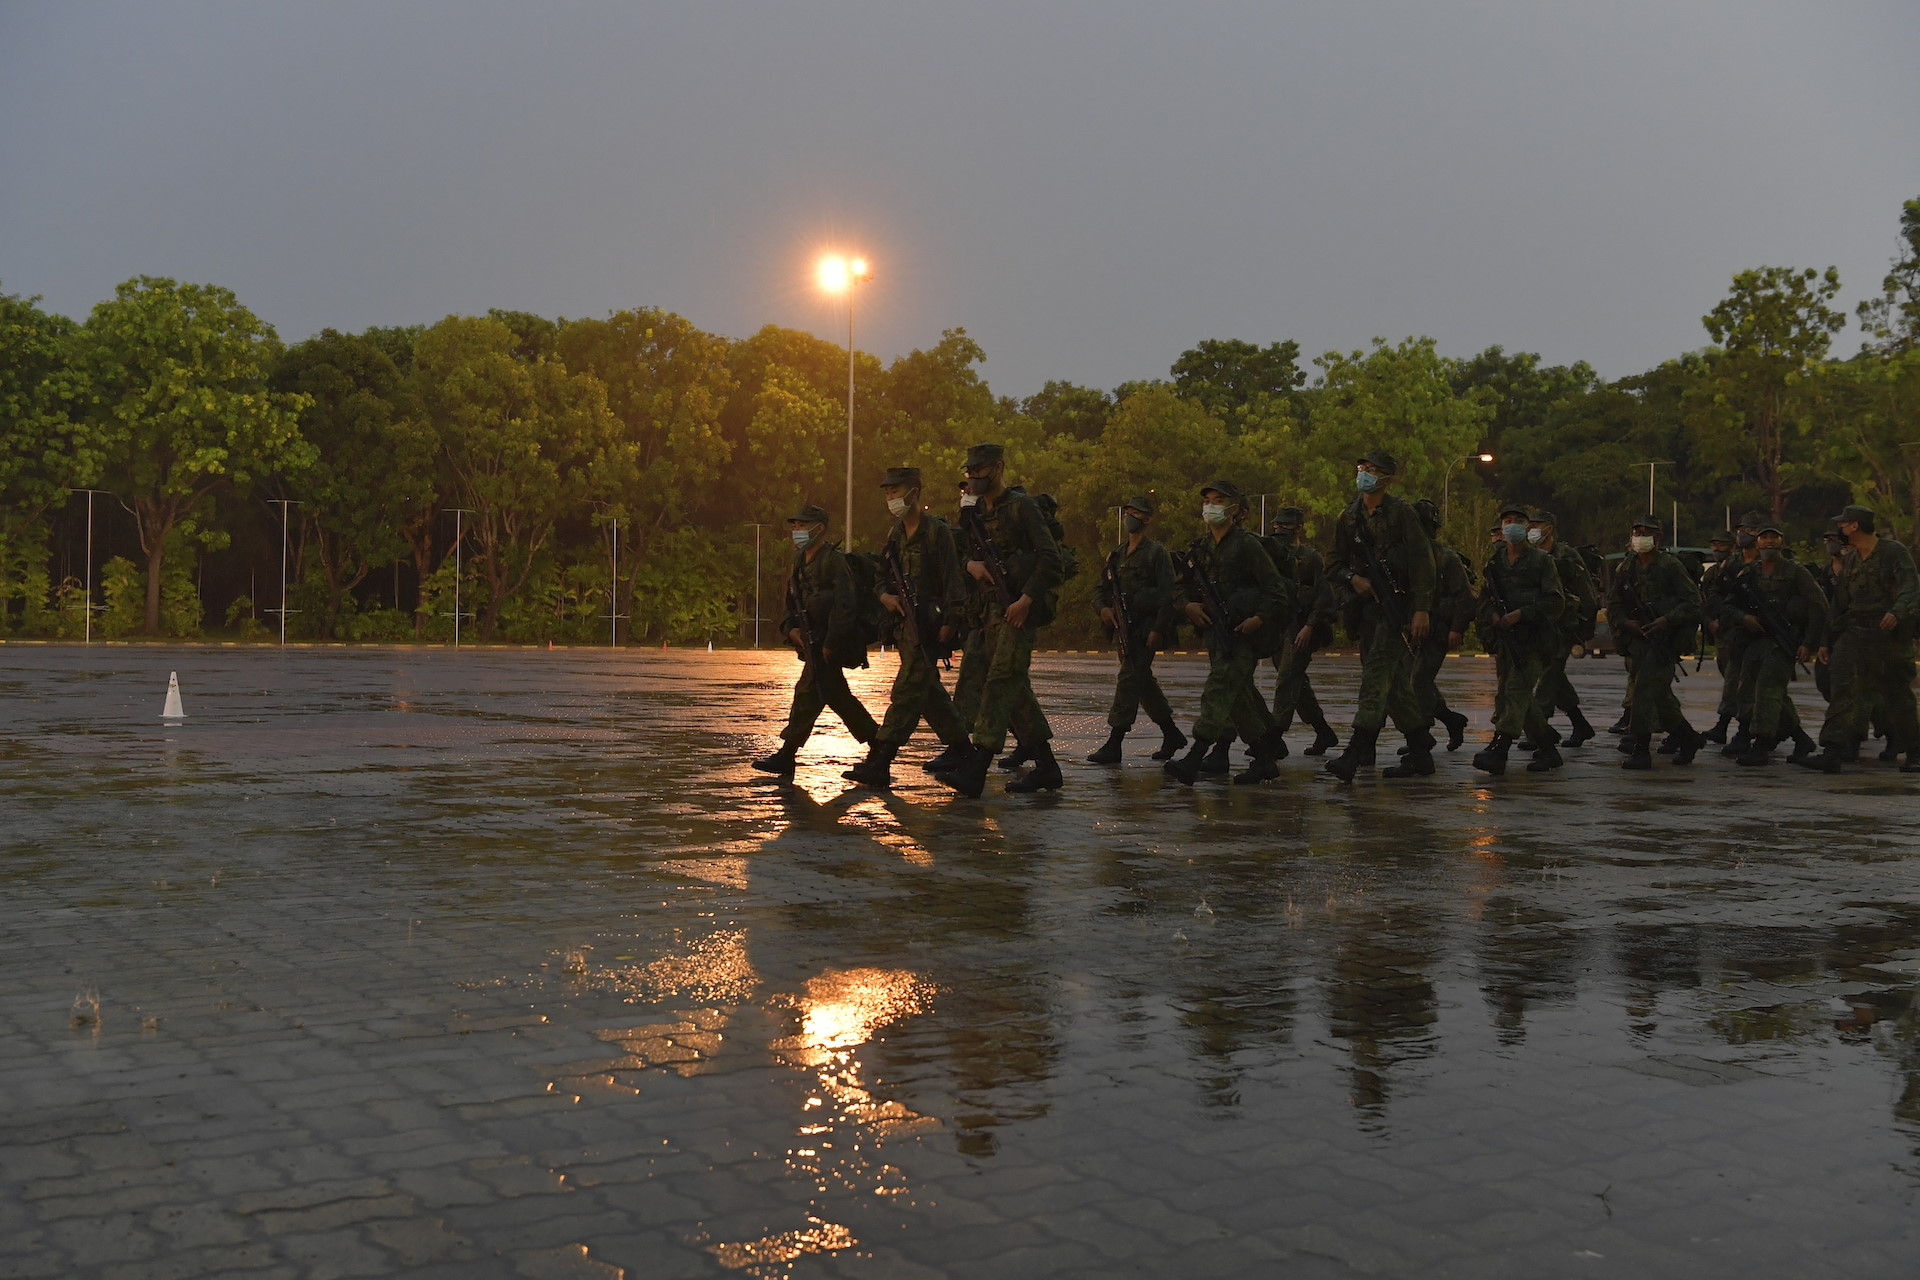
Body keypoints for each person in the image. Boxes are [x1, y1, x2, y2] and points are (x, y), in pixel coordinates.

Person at [936, 443, 1067, 797]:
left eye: (979, 470)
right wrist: (971, 566)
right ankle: (1047, 767)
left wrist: (1026, 600)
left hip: (1017, 609)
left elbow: (1051, 560)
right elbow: (962, 552)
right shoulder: (976, 513)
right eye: (969, 472)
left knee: (1000, 682)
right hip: (988, 612)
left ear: (998, 468)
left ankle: (977, 770)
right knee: (1014, 690)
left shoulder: (1022, 507)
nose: (973, 477)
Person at [844, 468, 968, 788]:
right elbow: (881, 575)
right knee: (928, 693)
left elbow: (953, 581)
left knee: (907, 691)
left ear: (914, 492)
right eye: (887, 492)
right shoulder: (896, 534)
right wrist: (884, 596)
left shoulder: (937, 532)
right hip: (905, 627)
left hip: (930, 626)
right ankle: (963, 750)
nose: (890, 497)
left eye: (895, 491)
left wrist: (951, 622)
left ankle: (881, 760)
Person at [1163, 481, 1291, 785]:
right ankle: (1265, 759)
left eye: (1219, 500)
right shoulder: (1200, 548)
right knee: (1238, 699)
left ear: (1234, 508)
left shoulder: (1248, 545)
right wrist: (1188, 606)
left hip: (1243, 635)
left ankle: (1195, 757)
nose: (1211, 506)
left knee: (1218, 689)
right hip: (1215, 634)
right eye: (1207, 500)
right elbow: (1179, 587)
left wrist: (1259, 618)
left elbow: (1276, 590)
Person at [1324, 451, 1438, 782]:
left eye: (1373, 470)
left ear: (1387, 478)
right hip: (1367, 610)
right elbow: (1333, 562)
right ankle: (1420, 750)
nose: (1365, 473)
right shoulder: (1349, 517)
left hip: (1398, 608)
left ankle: (1354, 752)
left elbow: (1423, 562)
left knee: (1375, 676)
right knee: (1395, 685)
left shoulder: (1402, 513)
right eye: (1363, 467)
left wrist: (1421, 609)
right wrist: (1352, 579)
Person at [752, 504, 879, 774]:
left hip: (828, 644)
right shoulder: (800, 561)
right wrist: (791, 630)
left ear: (819, 528)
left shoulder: (833, 561)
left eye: (802, 525)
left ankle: (877, 747)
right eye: (795, 526)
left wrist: (832, 643)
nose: (796, 531)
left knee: (817, 694)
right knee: (827, 695)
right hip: (811, 643)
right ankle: (877, 746)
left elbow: (846, 604)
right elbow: (792, 602)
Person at [1795, 505, 1920, 773]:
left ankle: (1914, 751)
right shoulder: (1851, 559)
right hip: (1854, 633)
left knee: (1897, 695)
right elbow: (1839, 604)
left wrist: (1897, 612)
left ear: (1855, 526)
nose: (1839, 529)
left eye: (1843, 524)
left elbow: (1911, 587)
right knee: (1842, 689)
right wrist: (1827, 640)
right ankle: (1832, 751)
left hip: (1888, 637)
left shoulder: (1893, 552)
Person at [1089, 495, 1185, 764]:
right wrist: (1103, 609)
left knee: (1129, 680)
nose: (1130, 516)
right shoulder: (1116, 554)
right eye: (1128, 511)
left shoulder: (1157, 553)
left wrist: (1158, 629)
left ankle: (1115, 742)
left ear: (1148, 518)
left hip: (1145, 629)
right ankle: (1172, 734)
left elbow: (1169, 594)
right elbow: (1099, 589)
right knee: (1142, 684)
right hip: (1123, 628)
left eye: (1136, 512)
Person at [1472, 503, 1567, 774]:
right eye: (1507, 521)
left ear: (1526, 526)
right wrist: (1492, 615)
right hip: (1506, 640)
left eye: (1517, 520)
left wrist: (1522, 614)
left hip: (1534, 641)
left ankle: (1499, 749)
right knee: (1515, 696)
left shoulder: (1541, 561)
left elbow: (1555, 602)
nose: (1511, 525)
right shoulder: (1495, 563)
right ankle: (1548, 748)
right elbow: (1484, 600)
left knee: (1515, 691)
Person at [1608, 516, 1705, 770]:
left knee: (1643, 692)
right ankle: (1688, 738)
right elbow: (1614, 604)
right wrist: (1626, 623)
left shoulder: (1669, 565)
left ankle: (1641, 749)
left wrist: (1665, 620)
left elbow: (1693, 602)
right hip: (1638, 641)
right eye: (1637, 531)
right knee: (1660, 698)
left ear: (1659, 537)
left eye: (1647, 532)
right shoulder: (1626, 568)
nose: (1641, 536)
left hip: (1664, 641)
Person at [1726, 519, 1825, 765]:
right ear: (1757, 542)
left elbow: (1818, 606)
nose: (1769, 542)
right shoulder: (1749, 573)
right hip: (1756, 641)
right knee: (1749, 691)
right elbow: (1728, 604)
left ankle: (1761, 744)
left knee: (1768, 691)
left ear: (1782, 542)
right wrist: (1744, 618)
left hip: (1782, 643)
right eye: (1764, 537)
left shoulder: (1796, 572)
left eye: (1774, 537)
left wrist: (1809, 643)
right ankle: (1800, 738)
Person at [1264, 507, 1340, 755]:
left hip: (1302, 626)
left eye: (1285, 525)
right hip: (1278, 627)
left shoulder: (1310, 558)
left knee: (1287, 678)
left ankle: (1274, 736)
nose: (1279, 529)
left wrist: (1309, 626)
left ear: (1298, 528)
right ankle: (1323, 731)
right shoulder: (1271, 555)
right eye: (1277, 524)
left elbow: (1323, 596)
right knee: (1296, 682)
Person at [1526, 510, 1600, 747]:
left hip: (1563, 627)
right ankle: (1580, 724)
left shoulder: (1567, 555)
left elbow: (1587, 593)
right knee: (1555, 678)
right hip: (1539, 627)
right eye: (1530, 525)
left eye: (1536, 525)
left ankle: (1539, 733)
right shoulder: (1530, 555)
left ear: (1549, 528)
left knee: (1548, 678)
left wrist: (1584, 629)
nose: (1531, 529)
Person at [1410, 498, 1474, 751]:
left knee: (1418, 681)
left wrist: (1456, 629)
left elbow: (1464, 597)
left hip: (1438, 630)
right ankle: (1450, 720)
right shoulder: (1407, 555)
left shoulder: (1446, 557)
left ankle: (1421, 734)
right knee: (1416, 682)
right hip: (1411, 630)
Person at [1702, 513, 1766, 749]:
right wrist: (1726, 616)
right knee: (1733, 682)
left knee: (1756, 686)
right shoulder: (1732, 563)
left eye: (1749, 530)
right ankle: (1726, 727)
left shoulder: (1769, 563)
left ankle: (1751, 732)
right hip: (1735, 632)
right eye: (1741, 529)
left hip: (1761, 634)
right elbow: (1715, 595)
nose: (1743, 534)